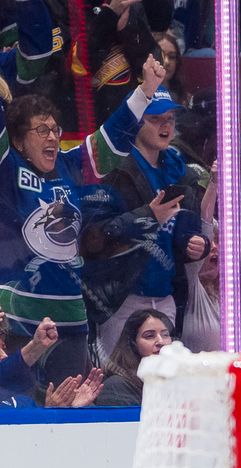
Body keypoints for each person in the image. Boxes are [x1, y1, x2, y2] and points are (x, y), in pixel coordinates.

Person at [0, 54, 167, 386]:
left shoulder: (68, 165)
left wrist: (145, 92)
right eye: (41, 130)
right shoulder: (7, 170)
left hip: (72, 319)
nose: (52, 137)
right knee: (21, 411)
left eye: (55, 130)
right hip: (20, 317)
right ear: (19, 141)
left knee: (73, 411)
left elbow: (111, 137)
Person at [83, 84, 209, 360]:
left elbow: (185, 229)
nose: (166, 126)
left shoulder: (179, 169)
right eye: (155, 119)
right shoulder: (113, 170)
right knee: (122, 381)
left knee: (166, 384)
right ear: (137, 123)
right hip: (122, 298)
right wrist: (147, 217)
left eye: (170, 120)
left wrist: (196, 244)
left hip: (167, 297)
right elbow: (92, 238)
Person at [181, 133, 241, 352]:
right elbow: (205, 223)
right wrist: (214, 183)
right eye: (211, 244)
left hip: (240, 381)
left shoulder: (237, 284)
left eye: (220, 244)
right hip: (200, 383)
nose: (216, 248)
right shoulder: (192, 285)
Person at [95, 309, 174, 406]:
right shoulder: (117, 386)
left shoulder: (180, 379)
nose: (160, 342)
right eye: (149, 336)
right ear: (133, 343)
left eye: (165, 335)